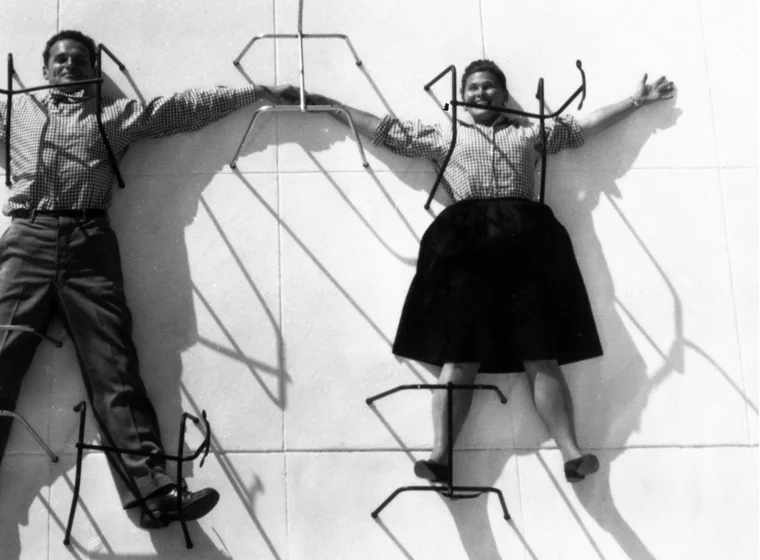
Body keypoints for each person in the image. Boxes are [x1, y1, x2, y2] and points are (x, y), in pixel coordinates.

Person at [0, 30, 294, 531]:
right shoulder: (18, 115)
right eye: (60, 59)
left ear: (93, 68)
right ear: (46, 69)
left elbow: (182, 109)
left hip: (89, 243)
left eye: (79, 59)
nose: (70, 66)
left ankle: (153, 496)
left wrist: (257, 93)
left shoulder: (114, 118)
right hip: (27, 241)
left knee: (114, 371)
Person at [289, 60, 675, 482]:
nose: (480, 93)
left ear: (504, 95)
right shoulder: (444, 135)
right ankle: (439, 457)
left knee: (541, 354)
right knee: (460, 356)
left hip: (527, 243)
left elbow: (582, 128)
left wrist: (636, 102)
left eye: (489, 86)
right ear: (462, 95)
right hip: (466, 246)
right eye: (472, 86)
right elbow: (384, 131)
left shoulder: (530, 132)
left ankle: (572, 452)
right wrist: (327, 104)